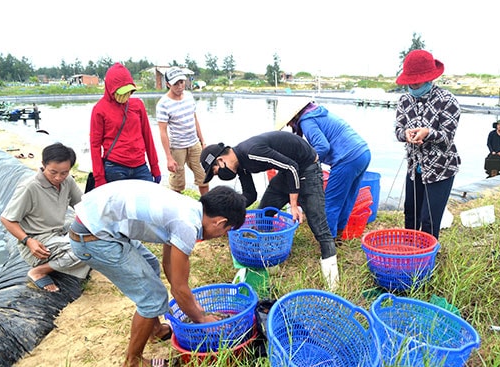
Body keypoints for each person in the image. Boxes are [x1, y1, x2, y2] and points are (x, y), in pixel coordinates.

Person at [68, 180, 246, 367]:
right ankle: (133, 361)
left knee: (151, 266)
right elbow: (178, 288)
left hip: (99, 225)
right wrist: (201, 319)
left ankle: (156, 331)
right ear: (220, 222)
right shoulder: (187, 224)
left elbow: (169, 265)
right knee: (153, 297)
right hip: (92, 238)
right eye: (226, 230)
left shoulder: (190, 207)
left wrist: (191, 303)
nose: (223, 235)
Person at [200, 131, 339, 290]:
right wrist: (228, 213)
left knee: (319, 226)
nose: (219, 175)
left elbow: (292, 166)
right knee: (263, 215)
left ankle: (333, 285)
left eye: (216, 171)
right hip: (288, 172)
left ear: (220, 160)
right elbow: (250, 195)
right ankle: (270, 263)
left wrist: (294, 205)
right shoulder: (240, 164)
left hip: (307, 168)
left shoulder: (251, 152)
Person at [275, 97, 371, 242]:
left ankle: (328, 241)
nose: (289, 124)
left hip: (347, 158)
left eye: (288, 121)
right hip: (362, 153)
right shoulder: (317, 112)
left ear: (294, 115)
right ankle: (338, 237)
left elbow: (322, 147)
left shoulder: (306, 120)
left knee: (331, 202)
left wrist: (306, 165)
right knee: (346, 199)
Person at [0, 143, 90, 292]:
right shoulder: (30, 187)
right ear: (43, 165)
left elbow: (83, 206)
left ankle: (66, 261)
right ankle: (38, 271)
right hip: (37, 244)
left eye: (64, 173)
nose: (58, 177)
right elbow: (7, 219)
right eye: (53, 172)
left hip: (58, 236)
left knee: (100, 242)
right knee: (86, 250)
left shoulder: (67, 181)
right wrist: (28, 241)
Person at [394, 49, 461, 239]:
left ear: (429, 78)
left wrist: (428, 133)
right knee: (411, 215)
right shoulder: (404, 100)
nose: (413, 85)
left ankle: (428, 258)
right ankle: (409, 253)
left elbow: (447, 137)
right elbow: (398, 130)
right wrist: (405, 134)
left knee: (429, 219)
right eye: (411, 81)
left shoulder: (447, 100)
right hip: (414, 168)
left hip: (441, 169)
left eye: (417, 81)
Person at [89, 62, 161, 188]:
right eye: (121, 92)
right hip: (115, 167)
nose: (125, 96)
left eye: (128, 92)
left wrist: (155, 167)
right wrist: (99, 177)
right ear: (111, 89)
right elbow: (95, 146)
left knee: (146, 205)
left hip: (140, 166)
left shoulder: (137, 105)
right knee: (119, 206)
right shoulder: (99, 109)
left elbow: (147, 137)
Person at [156, 67, 208, 195]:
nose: (180, 86)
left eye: (182, 82)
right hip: (177, 147)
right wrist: (168, 157)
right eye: (175, 84)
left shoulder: (189, 97)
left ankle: (209, 208)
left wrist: (203, 141)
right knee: (177, 183)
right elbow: (163, 132)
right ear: (168, 84)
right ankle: (176, 211)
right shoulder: (163, 104)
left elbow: (194, 119)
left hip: (194, 144)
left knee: (204, 176)